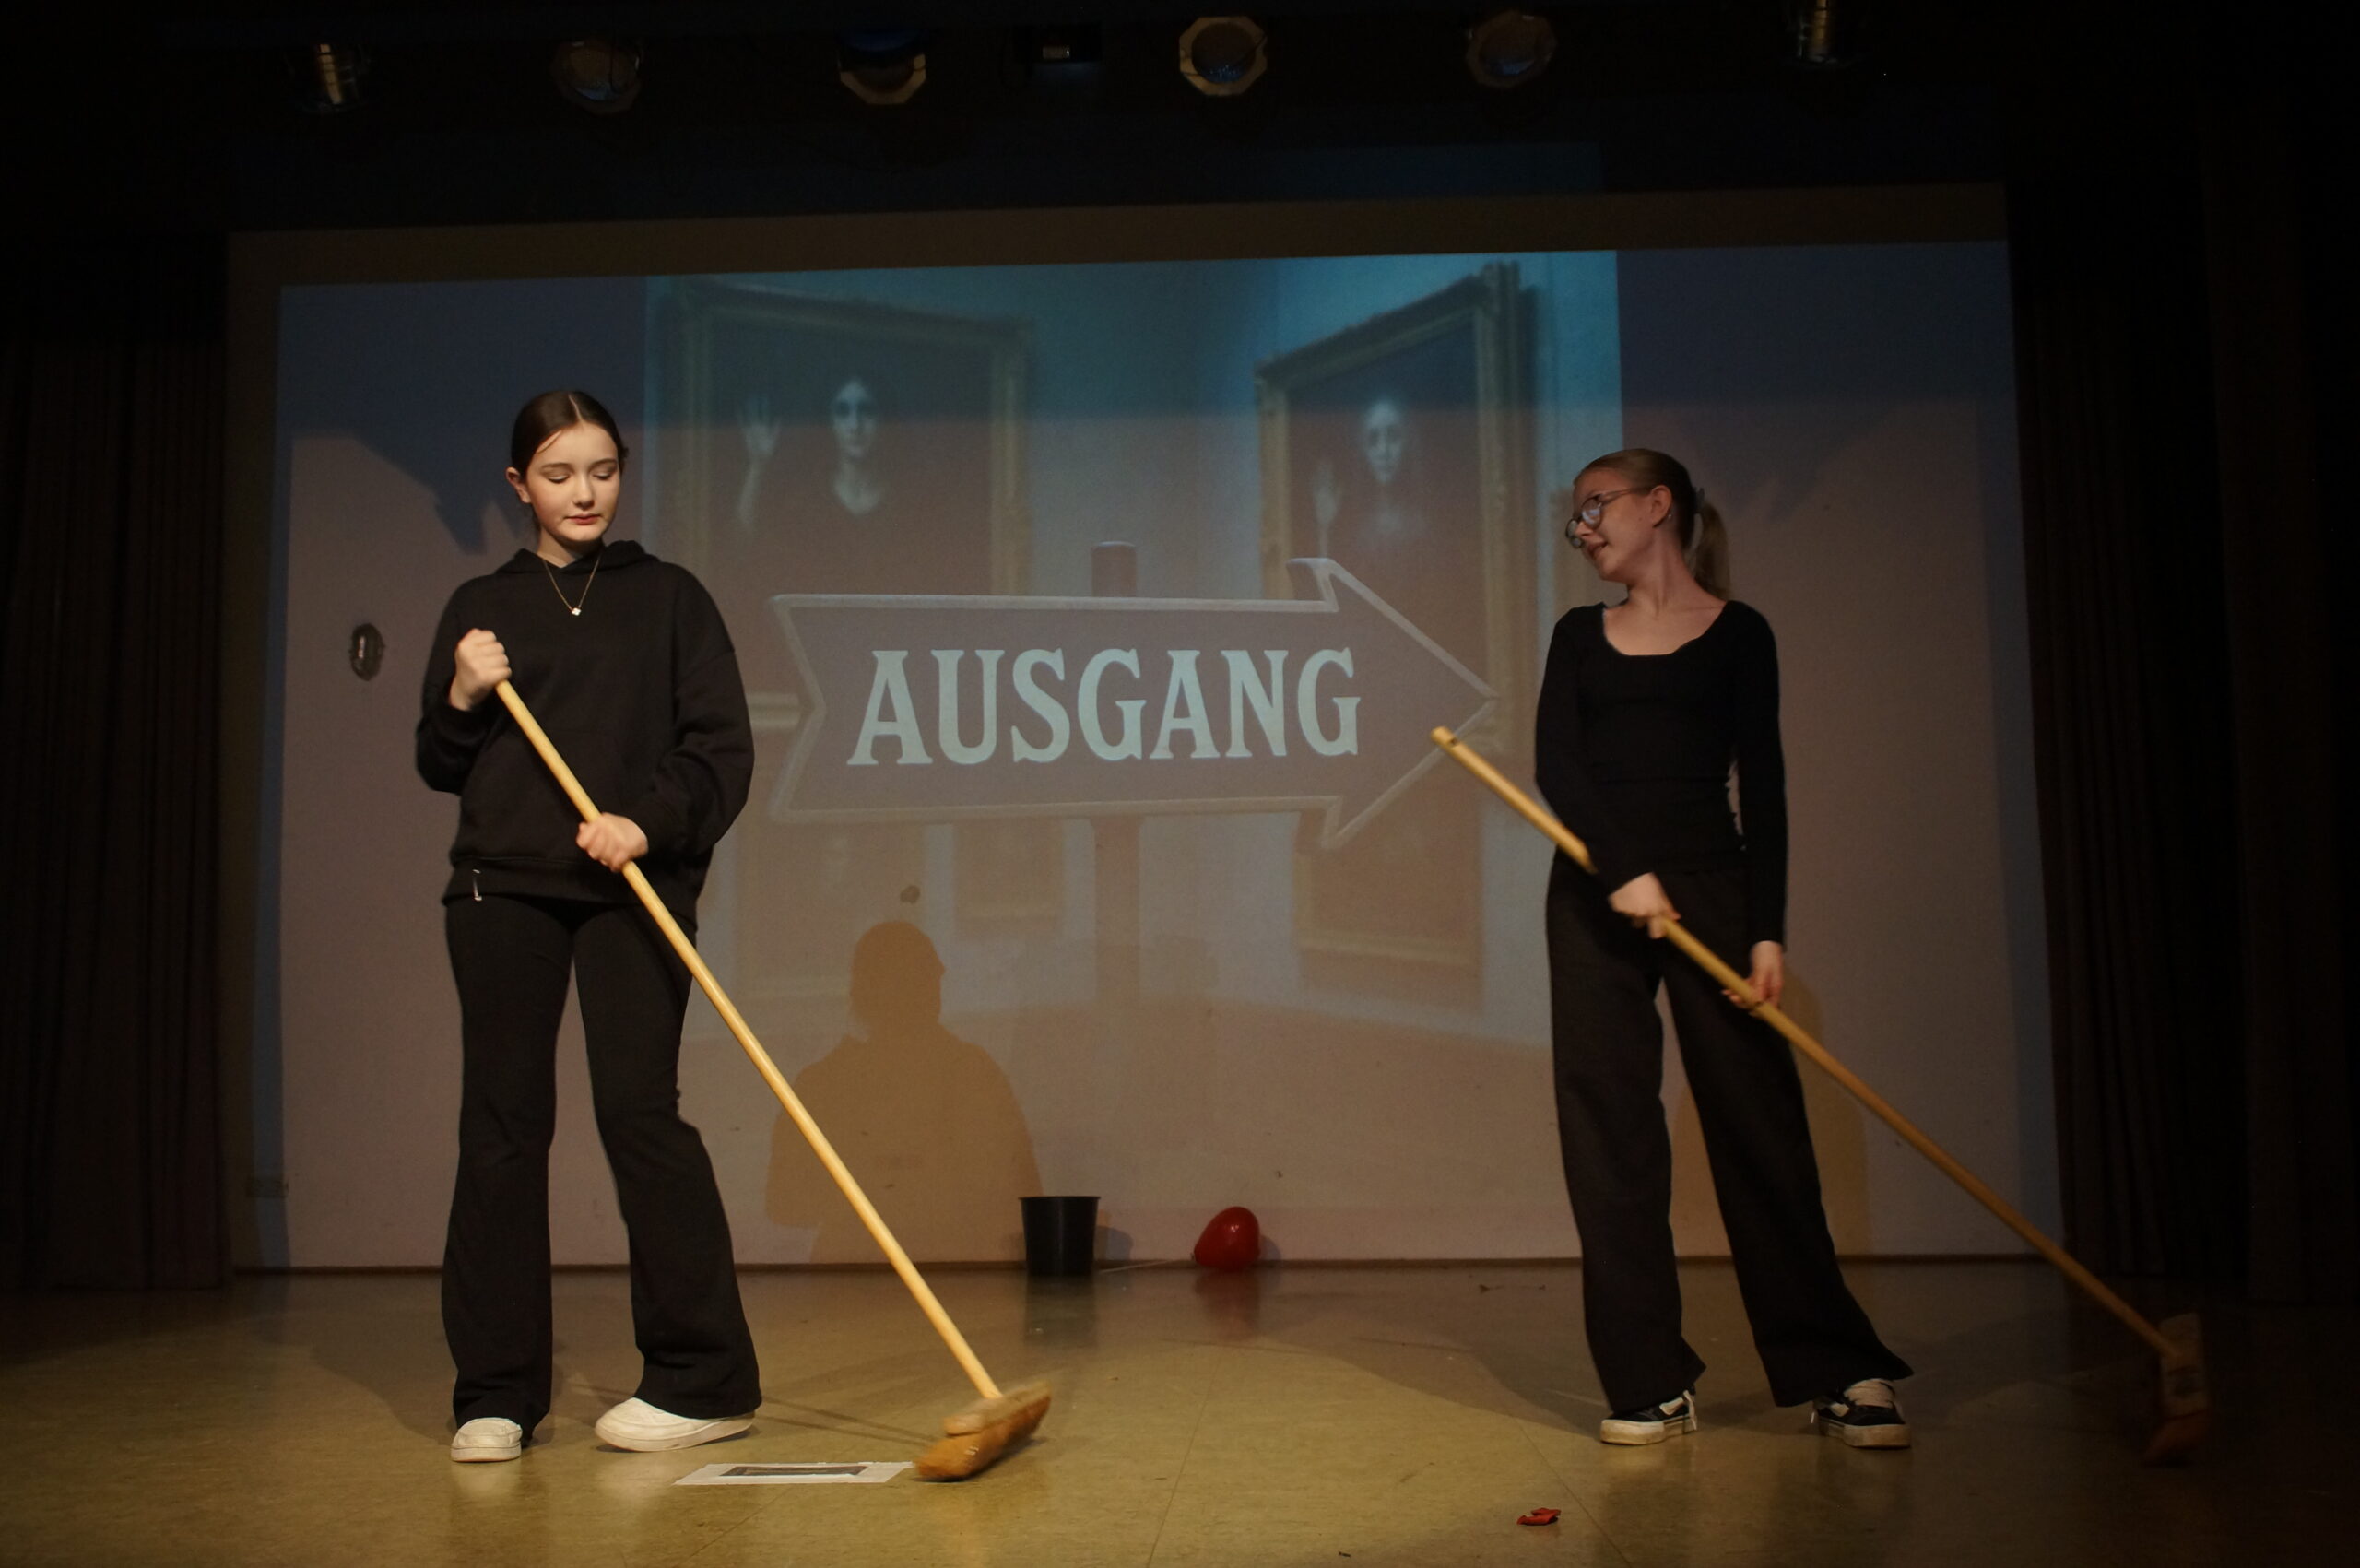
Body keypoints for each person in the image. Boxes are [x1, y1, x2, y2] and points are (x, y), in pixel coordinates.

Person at [1535, 448, 1913, 1450]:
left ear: (1658, 504)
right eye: (1575, 516)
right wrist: (1622, 869)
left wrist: (1765, 928)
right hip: (1594, 894)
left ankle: (1838, 1367)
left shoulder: (1740, 634)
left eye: (1595, 507)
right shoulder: (1576, 636)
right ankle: (1647, 1378)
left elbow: (1766, 788)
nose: (1581, 529)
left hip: (1711, 889)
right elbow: (1558, 768)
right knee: (1610, 1135)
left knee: (1761, 1131)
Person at [417, 389, 762, 1463]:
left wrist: (643, 822)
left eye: (602, 471)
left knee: (640, 1114)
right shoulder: (483, 607)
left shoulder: (671, 599)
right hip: (503, 890)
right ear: (518, 485)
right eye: (559, 474)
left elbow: (720, 749)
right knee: (503, 1128)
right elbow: (439, 764)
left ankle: (703, 1380)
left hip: (631, 886)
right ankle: (495, 1394)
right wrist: (462, 695)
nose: (584, 493)